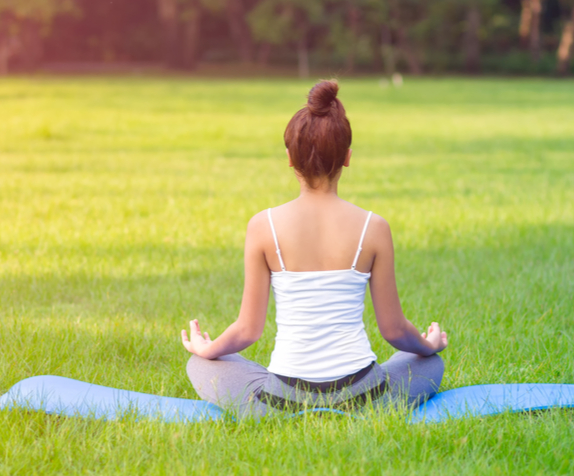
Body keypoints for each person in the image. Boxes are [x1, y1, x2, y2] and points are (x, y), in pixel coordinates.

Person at [181, 80, 448, 418]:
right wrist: (429, 345)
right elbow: (394, 331)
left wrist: (206, 349)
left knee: (200, 364)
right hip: (366, 397)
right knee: (428, 362)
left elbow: (248, 330)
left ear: (290, 158)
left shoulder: (263, 226)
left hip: (282, 400)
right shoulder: (374, 227)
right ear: (347, 158)